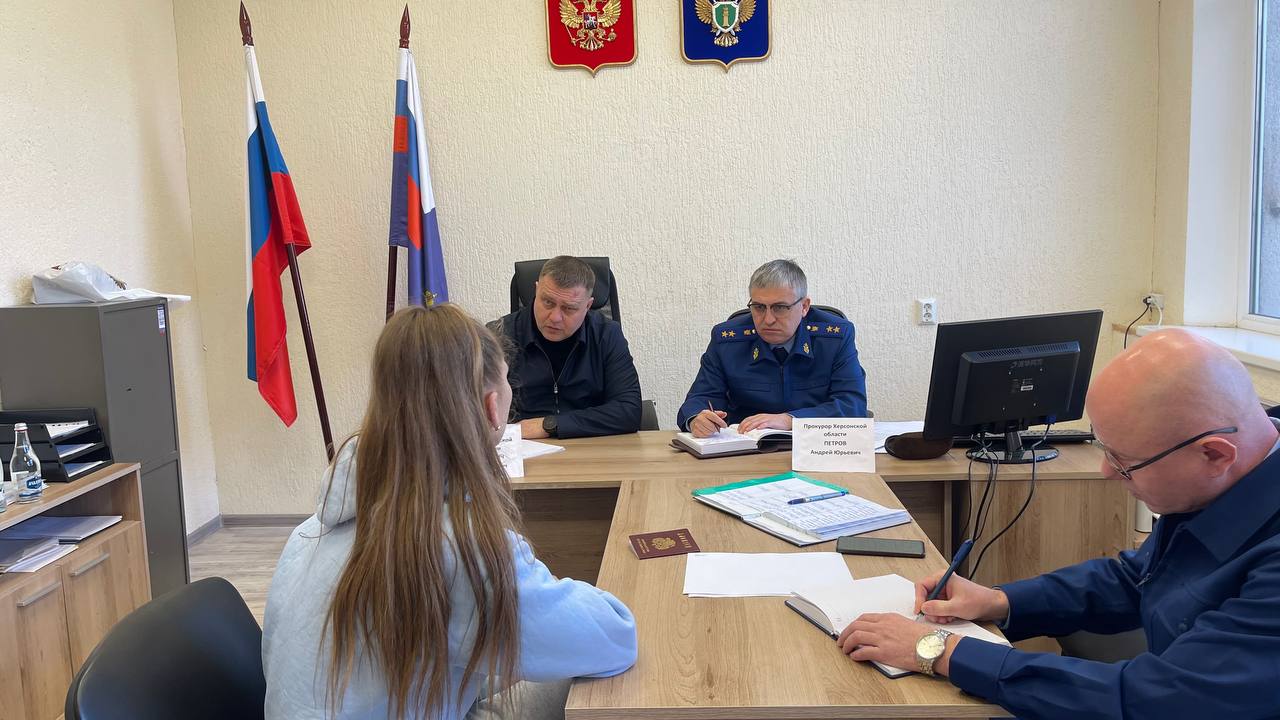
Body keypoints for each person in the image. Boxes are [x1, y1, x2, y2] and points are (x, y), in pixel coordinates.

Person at [838, 329, 1280, 719]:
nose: (1107, 472)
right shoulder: (1219, 480)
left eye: (1124, 462)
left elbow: (1155, 700)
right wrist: (999, 601)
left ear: (1215, 454)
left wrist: (937, 649)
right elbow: (1135, 579)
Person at [262, 305, 638, 720]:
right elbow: (615, 639)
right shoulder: (463, 549)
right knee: (580, 680)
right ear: (492, 408)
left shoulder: (307, 533)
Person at [676, 259, 868, 436]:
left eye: (780, 308)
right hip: (745, 449)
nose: (768, 319)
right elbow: (701, 397)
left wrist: (790, 420)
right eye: (759, 307)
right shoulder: (727, 340)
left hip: (816, 446)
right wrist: (696, 419)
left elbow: (852, 405)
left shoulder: (835, 338)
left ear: (804, 307)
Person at [492, 256, 642, 439]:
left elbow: (629, 410)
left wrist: (549, 425)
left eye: (569, 308)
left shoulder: (606, 335)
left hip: (591, 444)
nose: (555, 318)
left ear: (588, 306)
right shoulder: (498, 336)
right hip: (519, 446)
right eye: (547, 302)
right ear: (537, 290)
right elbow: (474, 410)